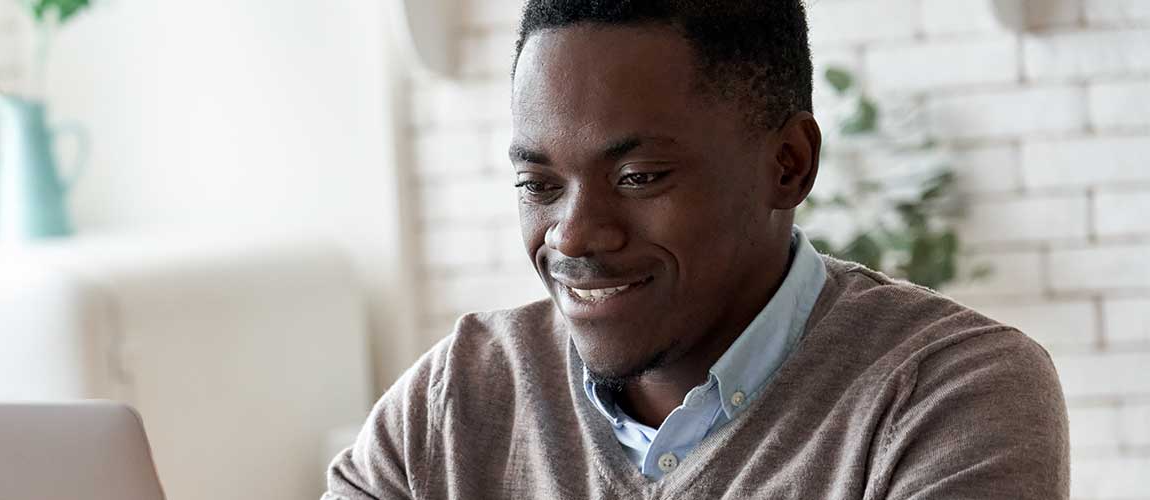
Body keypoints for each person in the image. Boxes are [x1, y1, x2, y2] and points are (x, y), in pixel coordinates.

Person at [323, 1, 1069, 498]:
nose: (575, 235)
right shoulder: (460, 398)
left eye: (639, 176)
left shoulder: (946, 395)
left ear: (788, 164)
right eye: (539, 184)